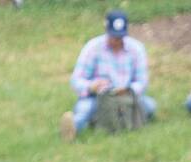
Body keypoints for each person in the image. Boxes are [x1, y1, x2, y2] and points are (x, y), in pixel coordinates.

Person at [60, 10, 155, 142]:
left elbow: (142, 82)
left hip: (125, 97)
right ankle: (73, 128)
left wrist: (127, 90)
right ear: (106, 31)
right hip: (98, 97)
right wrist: (91, 86)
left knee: (150, 106)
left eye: (120, 37)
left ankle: (104, 119)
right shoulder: (92, 48)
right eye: (113, 37)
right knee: (84, 110)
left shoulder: (137, 49)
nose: (116, 41)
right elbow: (76, 81)